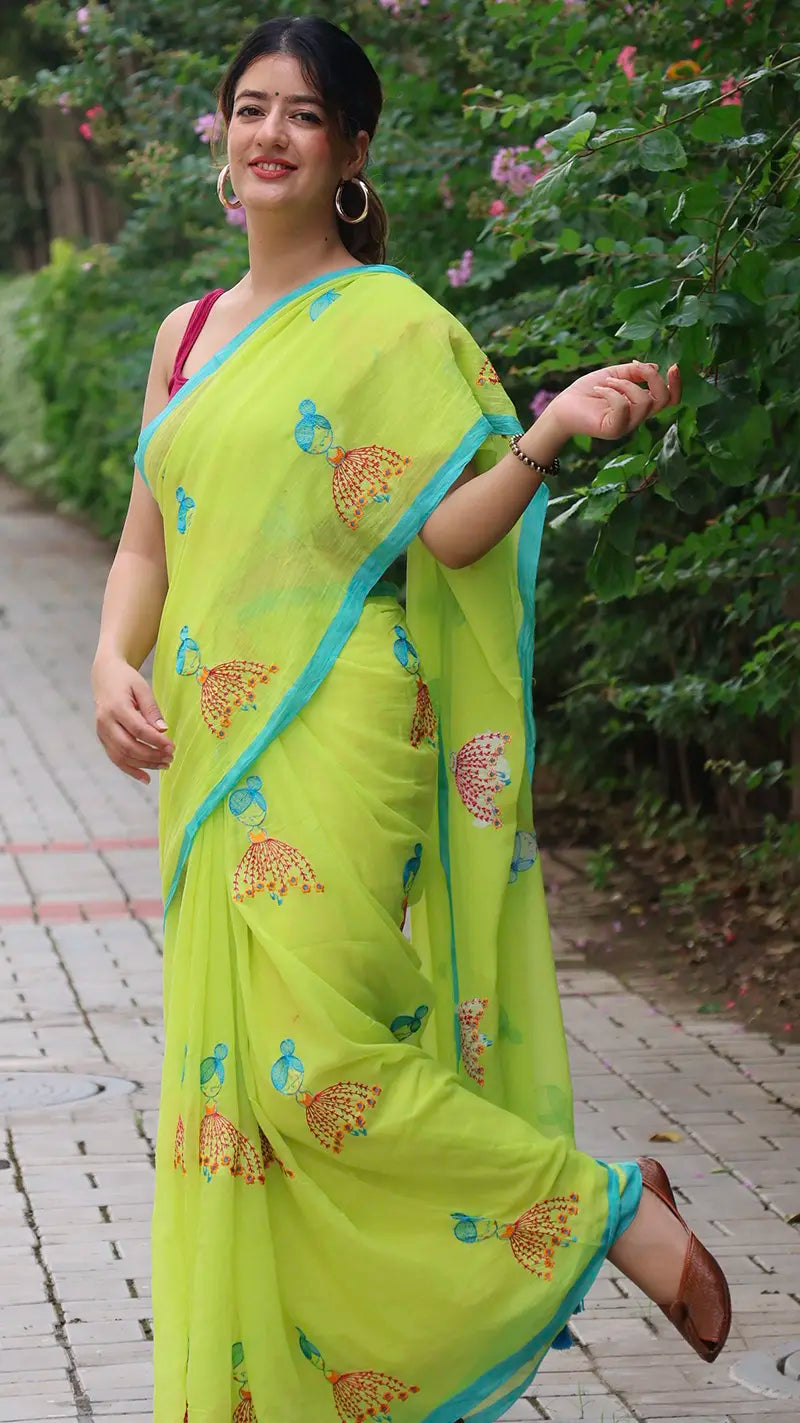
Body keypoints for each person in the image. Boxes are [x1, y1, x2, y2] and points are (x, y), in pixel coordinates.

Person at [91, 15, 730, 1423]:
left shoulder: (392, 323)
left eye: (302, 115)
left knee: (323, 1063)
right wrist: (105, 658)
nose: (268, 135)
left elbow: (447, 535)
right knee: (251, 1097)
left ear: (353, 150)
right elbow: (149, 537)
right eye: (249, 108)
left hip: (344, 727)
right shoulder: (186, 333)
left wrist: (547, 432)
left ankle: (604, 1211)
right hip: (208, 745)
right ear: (223, 137)